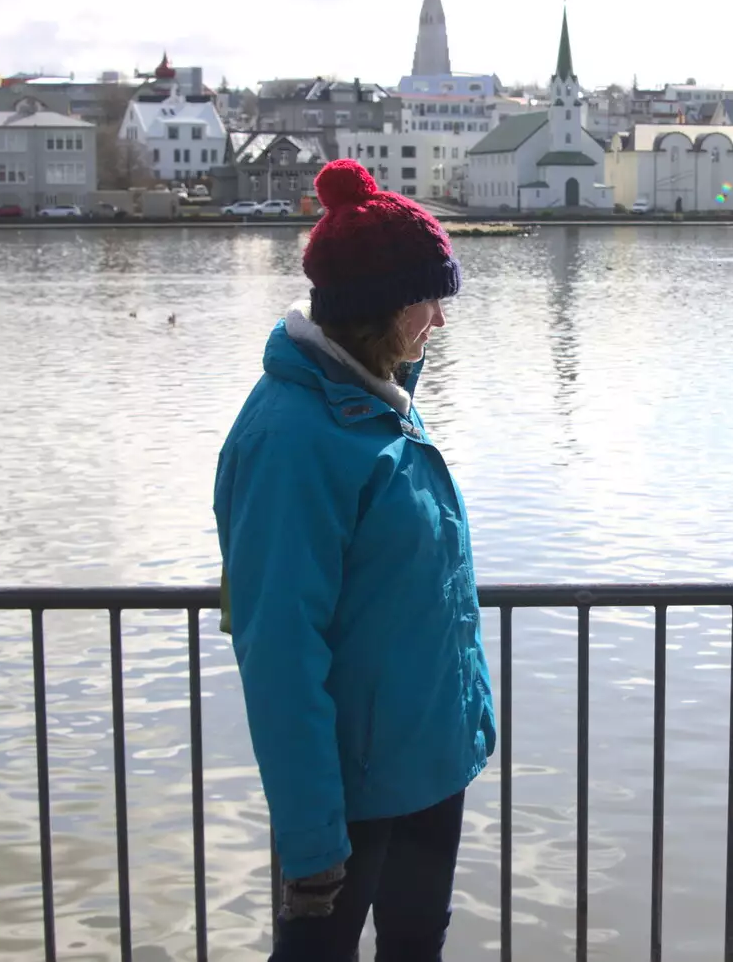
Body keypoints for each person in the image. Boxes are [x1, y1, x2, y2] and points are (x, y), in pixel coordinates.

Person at [214, 158, 495, 961]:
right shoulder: (292, 439)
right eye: (428, 300)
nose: (439, 320)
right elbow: (278, 650)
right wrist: (310, 839)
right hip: (349, 794)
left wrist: (467, 726)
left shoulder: (374, 404)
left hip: (425, 767)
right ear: (380, 309)